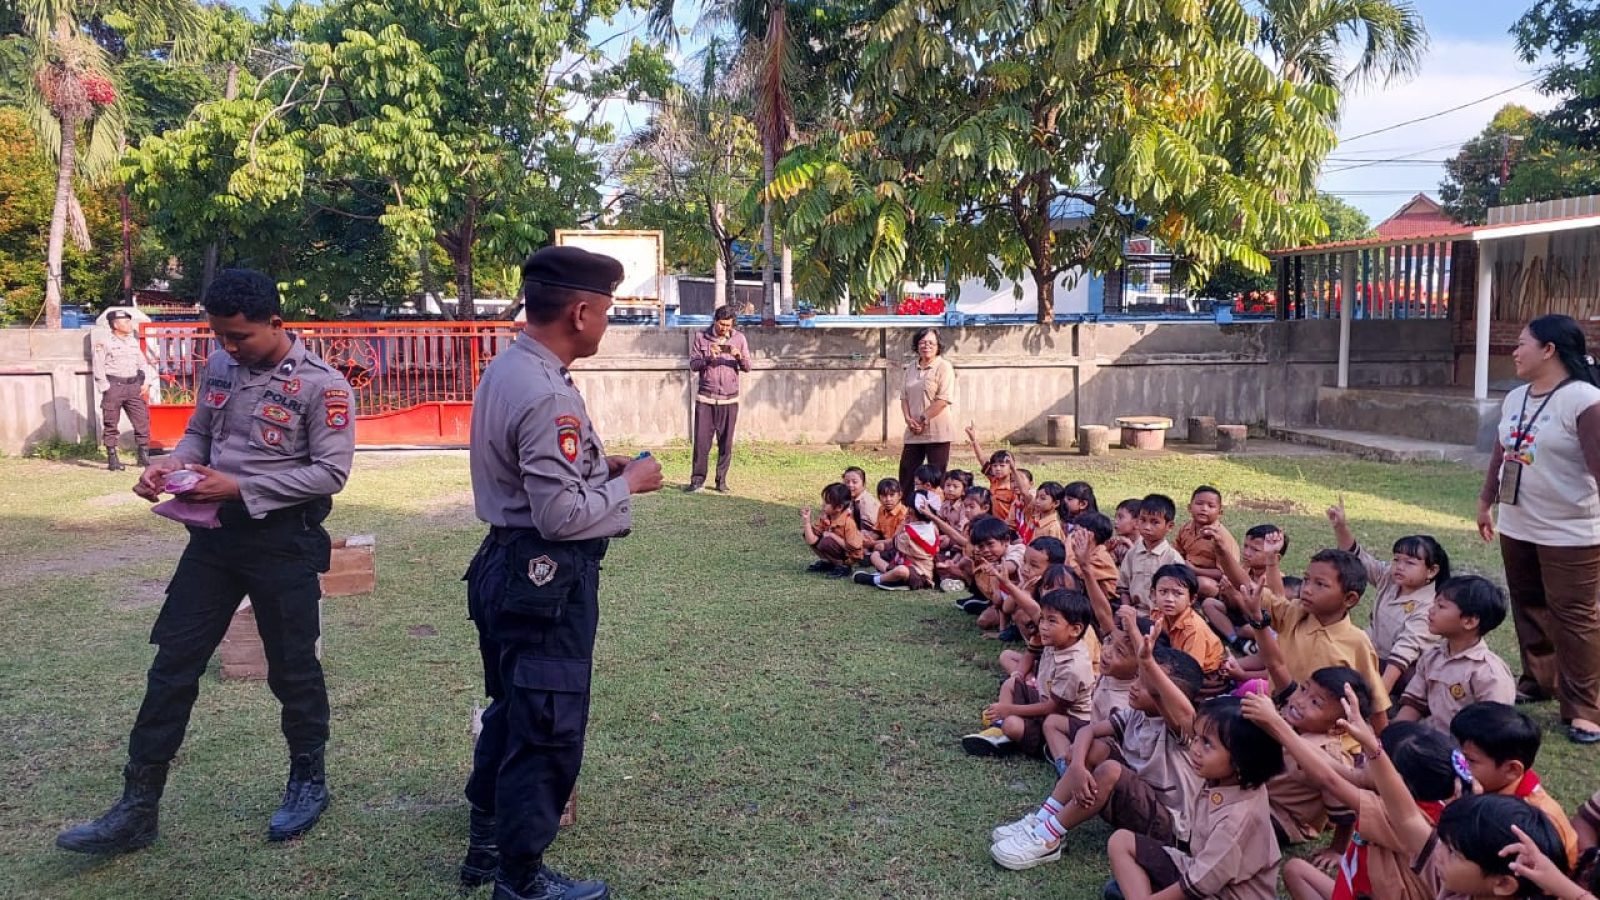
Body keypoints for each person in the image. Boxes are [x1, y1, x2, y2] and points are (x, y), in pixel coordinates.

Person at [56, 269, 356, 855]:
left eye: (240, 336)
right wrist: (171, 466)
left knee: (293, 667)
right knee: (173, 663)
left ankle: (307, 783)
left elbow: (331, 473)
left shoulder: (325, 386)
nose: (228, 347)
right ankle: (137, 806)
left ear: (276, 322)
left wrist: (237, 487)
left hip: (282, 542)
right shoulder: (221, 366)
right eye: (219, 336)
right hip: (214, 542)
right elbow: (199, 431)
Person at [458, 246, 663, 900]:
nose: (606, 323)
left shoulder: (512, 367)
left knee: (511, 712)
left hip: (504, 566)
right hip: (543, 580)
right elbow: (560, 516)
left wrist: (598, 468)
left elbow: (535, 474)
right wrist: (629, 484)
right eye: (605, 312)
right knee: (546, 728)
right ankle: (519, 880)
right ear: (580, 312)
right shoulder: (550, 394)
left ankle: (486, 846)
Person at [989, 620, 1204, 871]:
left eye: (1149, 686)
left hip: (1168, 829)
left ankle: (1049, 838)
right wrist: (1078, 767)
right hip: (1137, 803)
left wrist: (1148, 662)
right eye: (1138, 677)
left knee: (1111, 768)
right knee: (1096, 747)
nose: (1135, 687)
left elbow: (1185, 712)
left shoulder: (1184, 732)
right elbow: (1089, 731)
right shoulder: (1136, 713)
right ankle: (1043, 817)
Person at [1477, 314, 1600, 744]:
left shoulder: (1584, 400)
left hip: (1571, 532)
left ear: (1549, 350)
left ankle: (1585, 708)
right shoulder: (1517, 398)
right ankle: (1538, 680)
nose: (1514, 350)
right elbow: (1502, 452)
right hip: (1519, 523)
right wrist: (1485, 502)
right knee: (1529, 605)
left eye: (1523, 343)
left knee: (1575, 618)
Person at [1103, 696, 1286, 900]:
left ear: (1240, 760)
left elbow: (1201, 883)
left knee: (1123, 887)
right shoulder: (1225, 779)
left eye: (1207, 743)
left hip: (1228, 893)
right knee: (1121, 842)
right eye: (1197, 738)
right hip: (1198, 870)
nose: (1195, 748)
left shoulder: (1237, 819)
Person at [1326, 496, 1448, 697]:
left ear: (1432, 571)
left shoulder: (1430, 606)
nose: (1399, 566)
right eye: (1396, 559)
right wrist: (1341, 527)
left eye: (1410, 562)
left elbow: (1401, 658)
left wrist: (1379, 700)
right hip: (1374, 654)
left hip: (1406, 670)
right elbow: (1360, 559)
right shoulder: (1390, 578)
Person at [963, 588, 1095, 758]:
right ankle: (1000, 730)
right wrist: (1019, 676)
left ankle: (1031, 742)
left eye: (1051, 621)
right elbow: (1030, 654)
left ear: (1075, 630)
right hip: (1045, 702)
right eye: (1043, 620)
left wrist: (1009, 709)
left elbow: (1051, 708)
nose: (1043, 626)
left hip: (1063, 723)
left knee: (1012, 724)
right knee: (1011, 684)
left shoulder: (1073, 666)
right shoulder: (1056, 640)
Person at [1449, 701, 1581, 869]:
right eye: (1456, 754)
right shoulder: (1484, 787)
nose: (1457, 764)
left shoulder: (1531, 821)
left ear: (1512, 770)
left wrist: (1464, 810)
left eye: (1469, 760)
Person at [1394, 575, 1515, 733]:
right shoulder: (1432, 657)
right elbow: (1413, 705)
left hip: (1466, 750)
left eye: (1441, 606)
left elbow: (1496, 726)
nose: (1431, 610)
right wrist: (1393, 733)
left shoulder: (1488, 673)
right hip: (1430, 741)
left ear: (1469, 622)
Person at [686, 305, 749, 493]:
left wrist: (739, 357)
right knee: (701, 444)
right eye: (721, 324)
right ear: (715, 321)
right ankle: (697, 481)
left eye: (728, 325)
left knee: (726, 444)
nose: (724, 328)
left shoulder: (740, 339)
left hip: (730, 401)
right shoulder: (701, 338)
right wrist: (708, 357)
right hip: (705, 399)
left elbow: (747, 366)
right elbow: (693, 365)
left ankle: (721, 482)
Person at [92, 307, 159, 472]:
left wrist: (146, 382)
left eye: (130, 321)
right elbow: (98, 366)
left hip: (133, 386)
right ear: (115, 324)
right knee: (111, 423)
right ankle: (112, 458)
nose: (130, 324)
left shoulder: (132, 341)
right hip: (114, 386)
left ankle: (143, 456)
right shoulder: (104, 343)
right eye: (126, 322)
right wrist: (105, 387)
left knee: (142, 420)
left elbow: (143, 363)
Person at [898, 328, 956, 493]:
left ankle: (937, 511)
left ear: (938, 346)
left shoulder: (944, 367)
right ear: (917, 345)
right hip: (913, 431)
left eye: (931, 342)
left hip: (937, 431)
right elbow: (904, 397)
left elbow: (943, 399)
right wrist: (909, 419)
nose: (926, 346)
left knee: (936, 475)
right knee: (907, 471)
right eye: (922, 342)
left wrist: (922, 420)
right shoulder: (910, 367)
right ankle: (907, 509)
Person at [1117, 494, 1186, 614]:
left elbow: (1179, 596)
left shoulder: (1173, 559)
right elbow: (1123, 588)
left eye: (1155, 522)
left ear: (1169, 526)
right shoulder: (1132, 554)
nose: (1147, 527)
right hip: (1134, 613)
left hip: (1162, 617)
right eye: (1143, 520)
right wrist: (1126, 613)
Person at [803, 483, 868, 577]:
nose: (823, 505)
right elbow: (811, 540)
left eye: (827, 503)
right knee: (809, 532)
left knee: (826, 541)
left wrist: (832, 535)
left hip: (849, 555)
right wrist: (806, 522)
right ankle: (828, 562)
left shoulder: (848, 523)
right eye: (824, 501)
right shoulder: (826, 518)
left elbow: (853, 547)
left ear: (839, 507)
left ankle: (843, 567)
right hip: (835, 550)